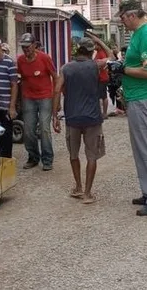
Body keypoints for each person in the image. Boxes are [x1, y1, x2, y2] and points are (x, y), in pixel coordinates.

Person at [108, 0, 147, 217]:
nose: (122, 22)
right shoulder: (138, 34)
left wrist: (122, 69)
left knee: (146, 148)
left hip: (143, 98)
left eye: (123, 17)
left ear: (132, 15)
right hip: (137, 97)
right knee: (140, 148)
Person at [52, 37, 112, 204]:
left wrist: (54, 116)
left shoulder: (66, 68)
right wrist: (99, 41)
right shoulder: (95, 66)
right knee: (91, 156)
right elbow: (112, 57)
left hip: (72, 118)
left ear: (77, 50)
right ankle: (87, 193)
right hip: (92, 118)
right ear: (91, 51)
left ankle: (78, 186)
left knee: (73, 154)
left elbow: (57, 90)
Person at [17, 33, 57, 171]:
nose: (25, 50)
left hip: (45, 97)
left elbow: (55, 77)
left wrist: (56, 97)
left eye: (28, 47)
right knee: (28, 130)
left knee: (45, 128)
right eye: (23, 47)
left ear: (34, 45)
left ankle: (47, 159)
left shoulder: (44, 58)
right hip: (29, 98)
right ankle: (33, 157)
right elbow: (21, 78)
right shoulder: (21, 61)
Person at [94, 39, 110, 119]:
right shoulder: (99, 53)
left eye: (95, 44)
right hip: (101, 77)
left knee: (102, 96)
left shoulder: (102, 53)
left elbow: (104, 64)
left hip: (102, 78)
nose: (94, 46)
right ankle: (102, 113)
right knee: (101, 96)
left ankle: (104, 113)